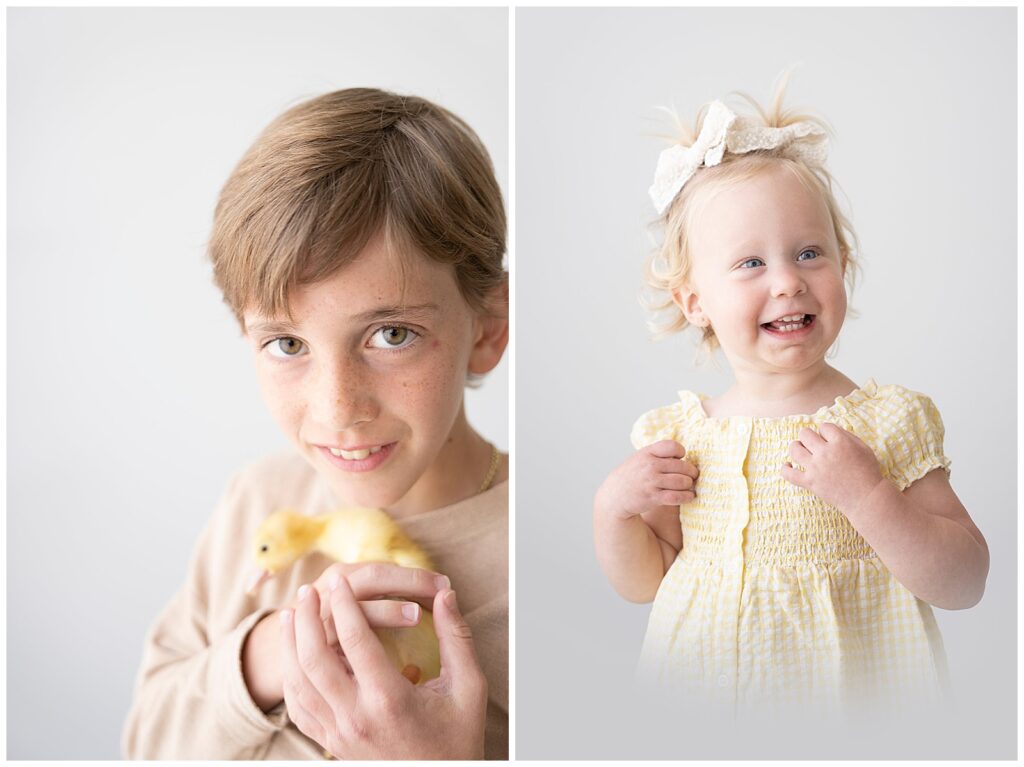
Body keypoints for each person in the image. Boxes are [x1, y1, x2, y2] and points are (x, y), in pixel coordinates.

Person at [122, 88, 509, 759]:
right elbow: (147, 740)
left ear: (489, 327)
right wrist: (261, 657)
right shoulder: (258, 500)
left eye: (392, 334)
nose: (337, 409)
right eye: (287, 345)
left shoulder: (565, 554)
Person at [592, 72, 988, 720]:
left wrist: (870, 497)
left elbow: (967, 580)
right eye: (751, 263)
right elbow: (647, 581)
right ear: (695, 302)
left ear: (843, 263)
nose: (787, 282)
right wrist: (613, 511)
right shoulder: (684, 436)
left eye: (809, 253)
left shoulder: (886, 422)